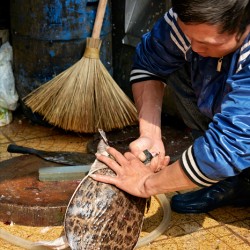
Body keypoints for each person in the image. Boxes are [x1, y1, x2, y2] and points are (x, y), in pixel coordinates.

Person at [91, 0, 250, 213]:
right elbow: (149, 64)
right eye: (189, 38)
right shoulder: (187, 18)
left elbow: (229, 144)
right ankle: (234, 181)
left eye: (205, 42)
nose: (194, 47)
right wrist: (150, 134)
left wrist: (147, 184)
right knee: (177, 60)